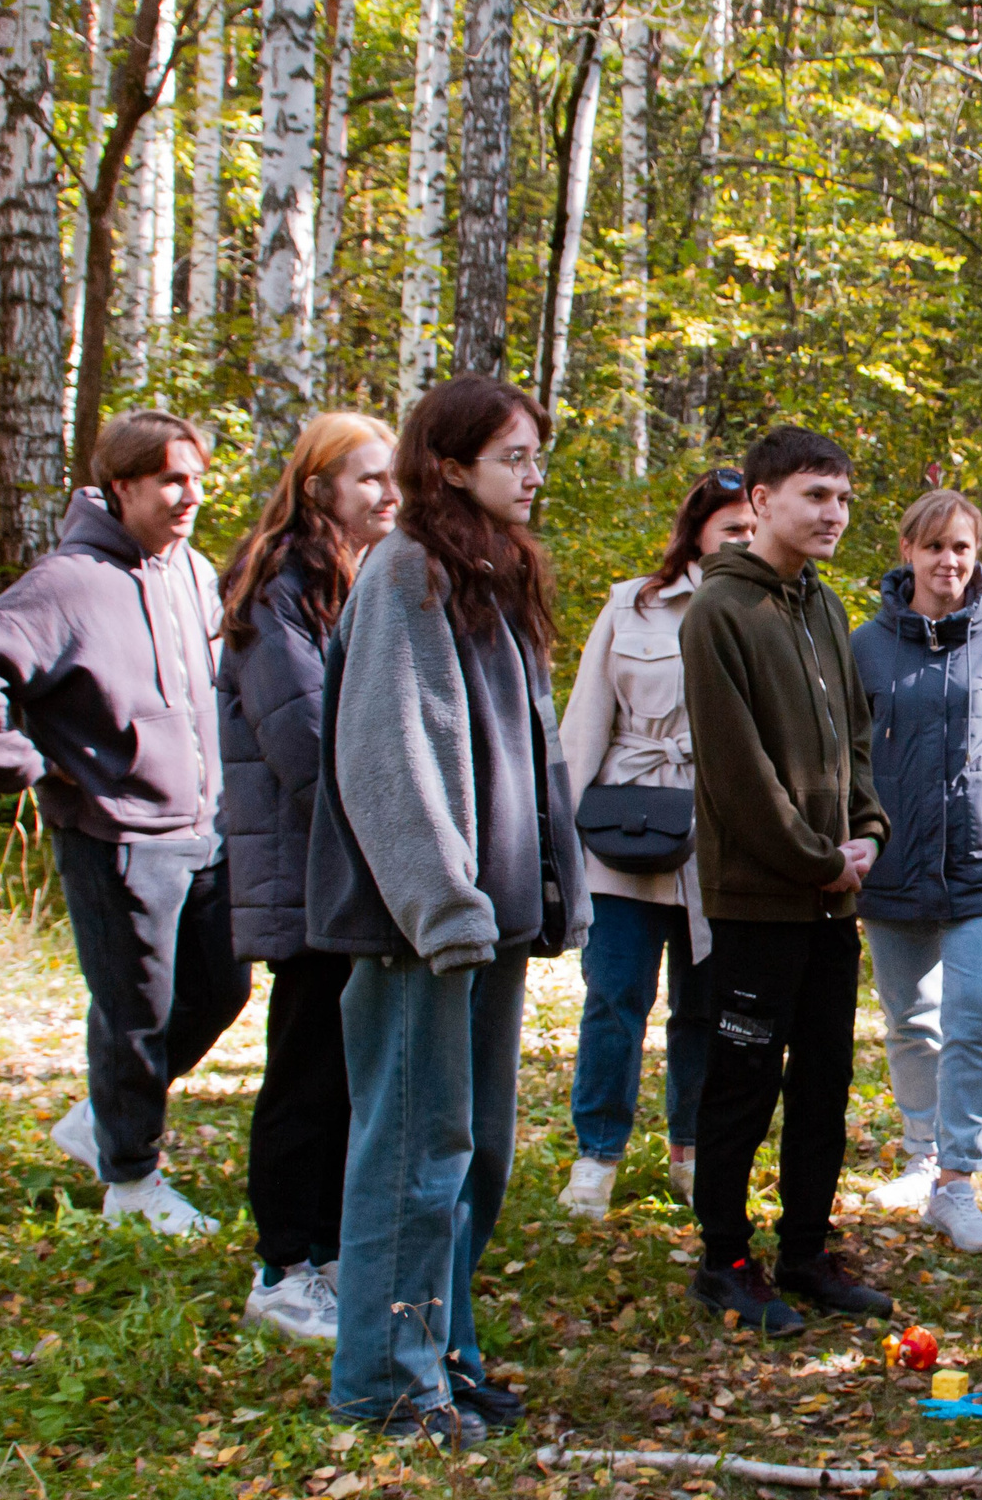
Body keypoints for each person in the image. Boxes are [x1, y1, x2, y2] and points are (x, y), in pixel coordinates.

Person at [307, 375, 588, 1446]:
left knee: (475, 1156)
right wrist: (442, 905)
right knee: (414, 1154)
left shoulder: (494, 576)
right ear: (452, 465)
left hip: (488, 925)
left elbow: (526, 757)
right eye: (514, 455)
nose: (533, 472)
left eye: (536, 455)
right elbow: (392, 751)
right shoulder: (406, 571)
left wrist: (549, 892)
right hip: (424, 929)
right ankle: (384, 1383)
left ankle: (443, 1354)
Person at [0, 409, 250, 1236]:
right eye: (171, 481)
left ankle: (101, 1118)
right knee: (135, 1010)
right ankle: (132, 1183)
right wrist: (26, 768)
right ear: (123, 485)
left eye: (197, 478)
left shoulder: (192, 571)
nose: (190, 496)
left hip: (202, 826)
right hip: (114, 832)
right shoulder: (71, 581)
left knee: (222, 987)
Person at [680, 426, 894, 1336]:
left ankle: (807, 1249)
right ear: (761, 501)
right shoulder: (720, 614)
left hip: (830, 898)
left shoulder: (822, 607)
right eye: (816, 496)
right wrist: (816, 856)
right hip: (759, 898)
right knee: (743, 1077)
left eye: (843, 498)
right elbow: (739, 776)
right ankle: (725, 1259)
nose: (834, 514)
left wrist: (869, 829)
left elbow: (853, 737)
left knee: (825, 1080)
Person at [216, 411, 402, 1342]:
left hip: (357, 866)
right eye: (369, 478)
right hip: (308, 868)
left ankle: (327, 1254)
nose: (387, 494)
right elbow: (302, 745)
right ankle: (284, 1267)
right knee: (306, 1069)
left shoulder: (359, 580)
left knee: (346, 1070)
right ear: (319, 484)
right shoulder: (276, 591)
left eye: (392, 477)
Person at [853, 489, 982, 1254]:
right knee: (912, 1019)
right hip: (894, 860)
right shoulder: (863, 645)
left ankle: (958, 1181)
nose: (948, 561)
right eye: (934, 546)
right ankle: (920, 1154)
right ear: (907, 550)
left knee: (979, 1018)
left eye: (962, 548)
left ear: (977, 557)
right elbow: (848, 750)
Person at [555, 468, 756, 1220]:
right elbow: (584, 723)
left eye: (750, 527)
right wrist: (562, 842)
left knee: (703, 1007)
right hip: (626, 833)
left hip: (717, 844)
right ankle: (596, 1155)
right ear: (698, 529)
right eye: (728, 527)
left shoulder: (766, 607)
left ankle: (691, 1152)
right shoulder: (631, 603)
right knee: (614, 997)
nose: (741, 539)